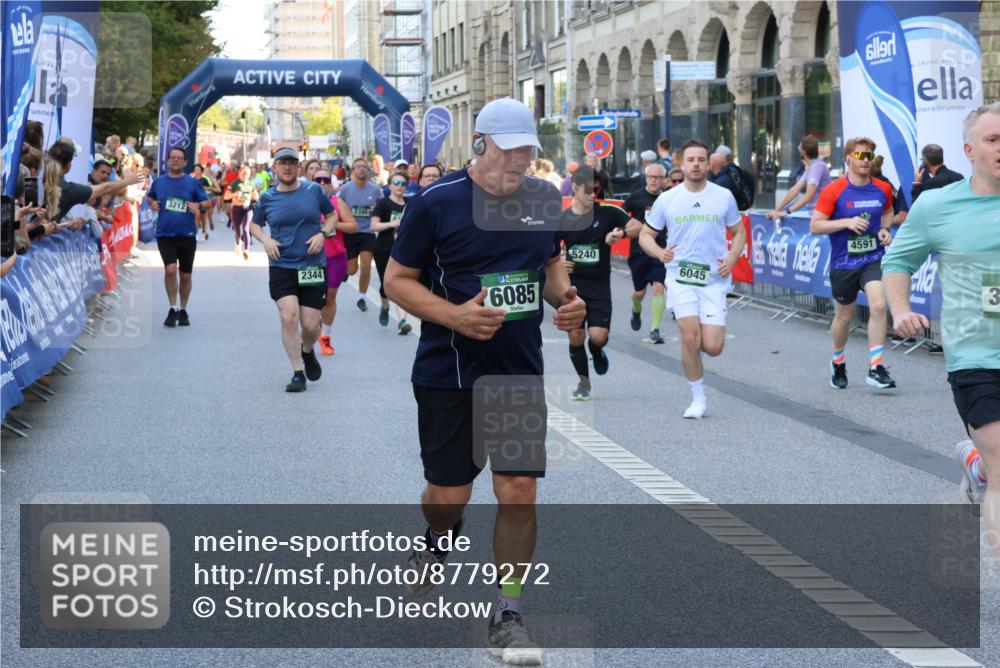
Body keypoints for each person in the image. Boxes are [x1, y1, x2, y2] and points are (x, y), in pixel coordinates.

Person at [384, 97, 586, 666]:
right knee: (447, 499)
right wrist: (454, 316)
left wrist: (566, 301)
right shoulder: (436, 202)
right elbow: (396, 281)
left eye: (528, 150)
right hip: (448, 371)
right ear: (480, 144)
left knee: (518, 488)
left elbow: (548, 264)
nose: (520, 160)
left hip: (516, 370)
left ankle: (508, 611)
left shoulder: (544, 198)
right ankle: (435, 540)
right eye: (510, 149)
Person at [882, 102, 1000, 565]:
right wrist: (900, 308)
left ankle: (976, 465)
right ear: (969, 150)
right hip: (975, 356)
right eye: (993, 140)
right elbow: (898, 262)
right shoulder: (937, 205)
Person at [640, 139, 746, 419]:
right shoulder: (668, 199)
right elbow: (645, 235)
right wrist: (660, 252)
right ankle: (698, 398)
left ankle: (700, 344)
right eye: (691, 160)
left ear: (708, 164)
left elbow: (739, 232)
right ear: (681, 164)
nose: (696, 164)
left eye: (701, 159)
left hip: (713, 280)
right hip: (680, 277)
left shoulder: (723, 196)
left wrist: (732, 258)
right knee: (689, 338)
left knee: (712, 347)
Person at [809, 137, 896, 391]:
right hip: (843, 263)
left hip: (873, 258)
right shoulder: (834, 190)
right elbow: (815, 225)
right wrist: (845, 223)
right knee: (844, 318)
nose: (865, 161)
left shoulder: (882, 189)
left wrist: (884, 229)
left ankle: (876, 367)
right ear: (848, 158)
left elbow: (889, 212)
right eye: (859, 156)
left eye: (868, 156)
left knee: (879, 304)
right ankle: (838, 361)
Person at [250, 147, 338, 392]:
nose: (287, 167)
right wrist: (266, 240)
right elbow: (254, 226)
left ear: (298, 168)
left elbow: (331, 216)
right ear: (275, 168)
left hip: (311, 264)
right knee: (289, 316)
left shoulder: (313, 191)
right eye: (282, 163)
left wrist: (323, 234)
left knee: (310, 326)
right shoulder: (267, 198)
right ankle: (297, 372)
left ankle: (307, 350)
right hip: (281, 264)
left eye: (291, 163)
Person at [559, 166, 634, 399]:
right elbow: (546, 252)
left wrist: (620, 234)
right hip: (572, 288)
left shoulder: (607, 212)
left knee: (598, 337)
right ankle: (584, 385)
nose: (593, 194)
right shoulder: (562, 219)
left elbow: (637, 226)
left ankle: (597, 351)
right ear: (575, 188)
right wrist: (560, 260)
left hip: (599, 286)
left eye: (597, 189)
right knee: (575, 336)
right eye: (589, 190)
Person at [146, 146, 212, 327]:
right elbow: (149, 197)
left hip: (187, 235)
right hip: (165, 233)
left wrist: (198, 205)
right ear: (168, 161)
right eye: (172, 157)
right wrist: (153, 203)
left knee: (185, 276)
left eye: (179, 158)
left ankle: (183, 309)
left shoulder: (192, 183)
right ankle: (172, 307)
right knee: (170, 269)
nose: (175, 160)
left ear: (185, 162)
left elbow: (207, 202)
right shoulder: (159, 182)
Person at [624, 162, 669, 343]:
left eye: (657, 177)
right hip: (638, 252)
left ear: (663, 180)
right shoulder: (636, 197)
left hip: (659, 251)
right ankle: (636, 308)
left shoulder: (668, 198)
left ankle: (655, 330)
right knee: (640, 293)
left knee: (659, 288)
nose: (654, 180)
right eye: (650, 177)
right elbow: (619, 215)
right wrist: (620, 230)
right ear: (646, 178)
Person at [313, 168, 357, 356]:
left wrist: (332, 223)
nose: (322, 183)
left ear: (331, 183)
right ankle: (311, 332)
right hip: (311, 258)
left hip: (335, 258)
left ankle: (326, 337)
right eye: (318, 179)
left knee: (329, 298)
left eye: (326, 179)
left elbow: (353, 226)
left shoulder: (337, 202)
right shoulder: (303, 204)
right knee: (312, 299)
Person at [370, 169, 413, 334]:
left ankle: (402, 321)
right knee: (385, 285)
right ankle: (385, 306)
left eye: (403, 184)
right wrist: (392, 224)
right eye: (396, 183)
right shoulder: (383, 203)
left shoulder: (410, 204)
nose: (399, 186)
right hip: (383, 248)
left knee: (400, 284)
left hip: (403, 249)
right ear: (390, 185)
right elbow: (374, 226)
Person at [338, 157, 383, 313]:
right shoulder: (345, 189)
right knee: (352, 270)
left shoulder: (375, 190)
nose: (362, 169)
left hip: (367, 232)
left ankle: (361, 297)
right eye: (358, 167)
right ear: (353, 170)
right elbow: (335, 207)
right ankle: (345, 271)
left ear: (368, 170)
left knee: (366, 264)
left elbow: (382, 207)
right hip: (350, 233)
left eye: (364, 166)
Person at [767, 135, 832, 221]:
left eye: (799, 146)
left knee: (788, 220)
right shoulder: (811, 166)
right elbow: (794, 190)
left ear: (803, 152)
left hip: (819, 215)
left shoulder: (817, 167)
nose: (798, 148)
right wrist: (777, 210)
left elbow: (808, 196)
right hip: (813, 212)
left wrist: (786, 212)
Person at [227, 164, 260, 260]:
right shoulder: (235, 183)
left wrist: (253, 197)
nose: (246, 176)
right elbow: (226, 196)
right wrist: (236, 194)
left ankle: (246, 250)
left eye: (247, 174)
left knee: (245, 228)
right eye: (244, 173)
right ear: (239, 174)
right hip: (236, 208)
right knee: (237, 229)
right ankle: (238, 244)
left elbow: (256, 197)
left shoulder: (251, 184)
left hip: (247, 208)